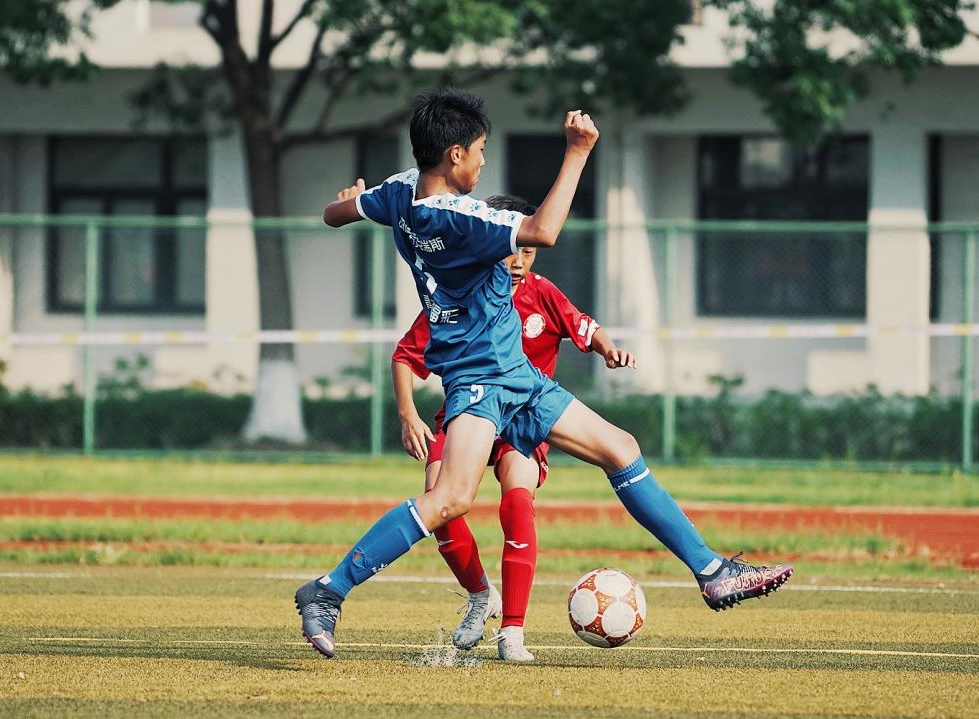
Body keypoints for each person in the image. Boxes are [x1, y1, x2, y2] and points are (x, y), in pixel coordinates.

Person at [297, 87, 792, 659]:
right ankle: (328, 589)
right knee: (451, 498)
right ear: (455, 154)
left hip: (516, 373)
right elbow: (543, 232)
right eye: (480, 150)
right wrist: (579, 151)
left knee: (620, 448)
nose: (484, 162)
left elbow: (336, 214)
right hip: (481, 375)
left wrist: (348, 202)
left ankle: (711, 571)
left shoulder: (399, 192)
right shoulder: (460, 217)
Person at [392, 194, 636, 662]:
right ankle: (481, 595)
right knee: (440, 505)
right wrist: (409, 415)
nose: (519, 260)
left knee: (517, 500)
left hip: (523, 418)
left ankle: (512, 631)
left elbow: (587, 328)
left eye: (528, 250)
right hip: (468, 411)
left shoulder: (543, 293)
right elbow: (405, 355)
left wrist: (609, 348)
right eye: (511, 249)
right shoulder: (460, 290)